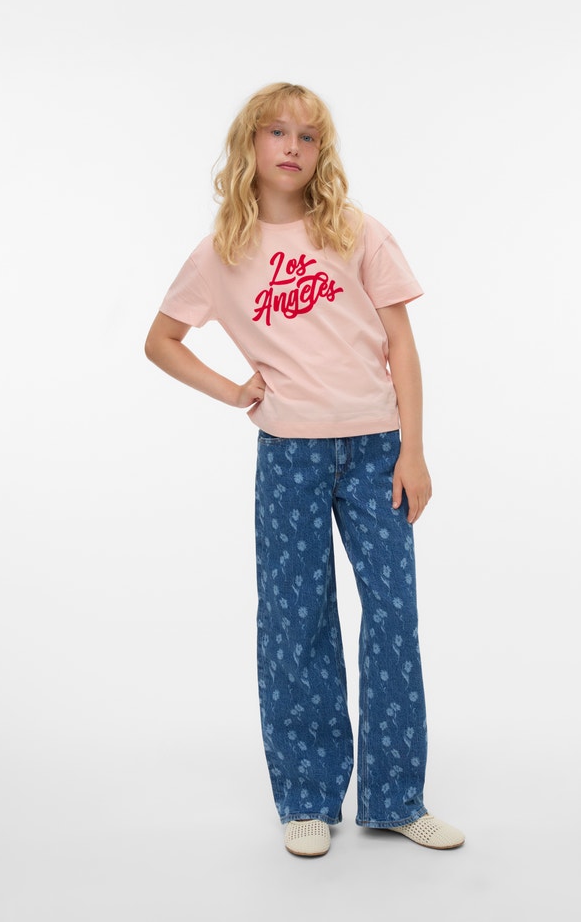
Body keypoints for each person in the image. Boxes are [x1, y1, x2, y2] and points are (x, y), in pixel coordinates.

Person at [145, 82, 464, 858]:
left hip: (377, 448)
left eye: (309, 136)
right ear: (249, 145)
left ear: (323, 152)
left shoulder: (356, 231)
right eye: (277, 132)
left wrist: (414, 449)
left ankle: (396, 797)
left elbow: (403, 345)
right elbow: (162, 340)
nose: (292, 147)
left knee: (392, 614)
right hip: (289, 453)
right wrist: (234, 391)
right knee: (297, 621)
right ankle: (308, 796)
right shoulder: (220, 253)